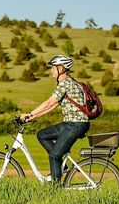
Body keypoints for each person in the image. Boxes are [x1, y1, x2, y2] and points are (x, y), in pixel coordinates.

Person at [20, 55, 90, 184]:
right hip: (70, 123)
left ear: (61, 69)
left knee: (54, 155)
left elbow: (49, 102)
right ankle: (61, 167)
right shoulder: (67, 83)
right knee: (42, 135)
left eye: (53, 67)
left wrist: (29, 113)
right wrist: (32, 118)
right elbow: (51, 106)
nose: (51, 70)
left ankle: (55, 187)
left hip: (75, 125)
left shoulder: (66, 83)